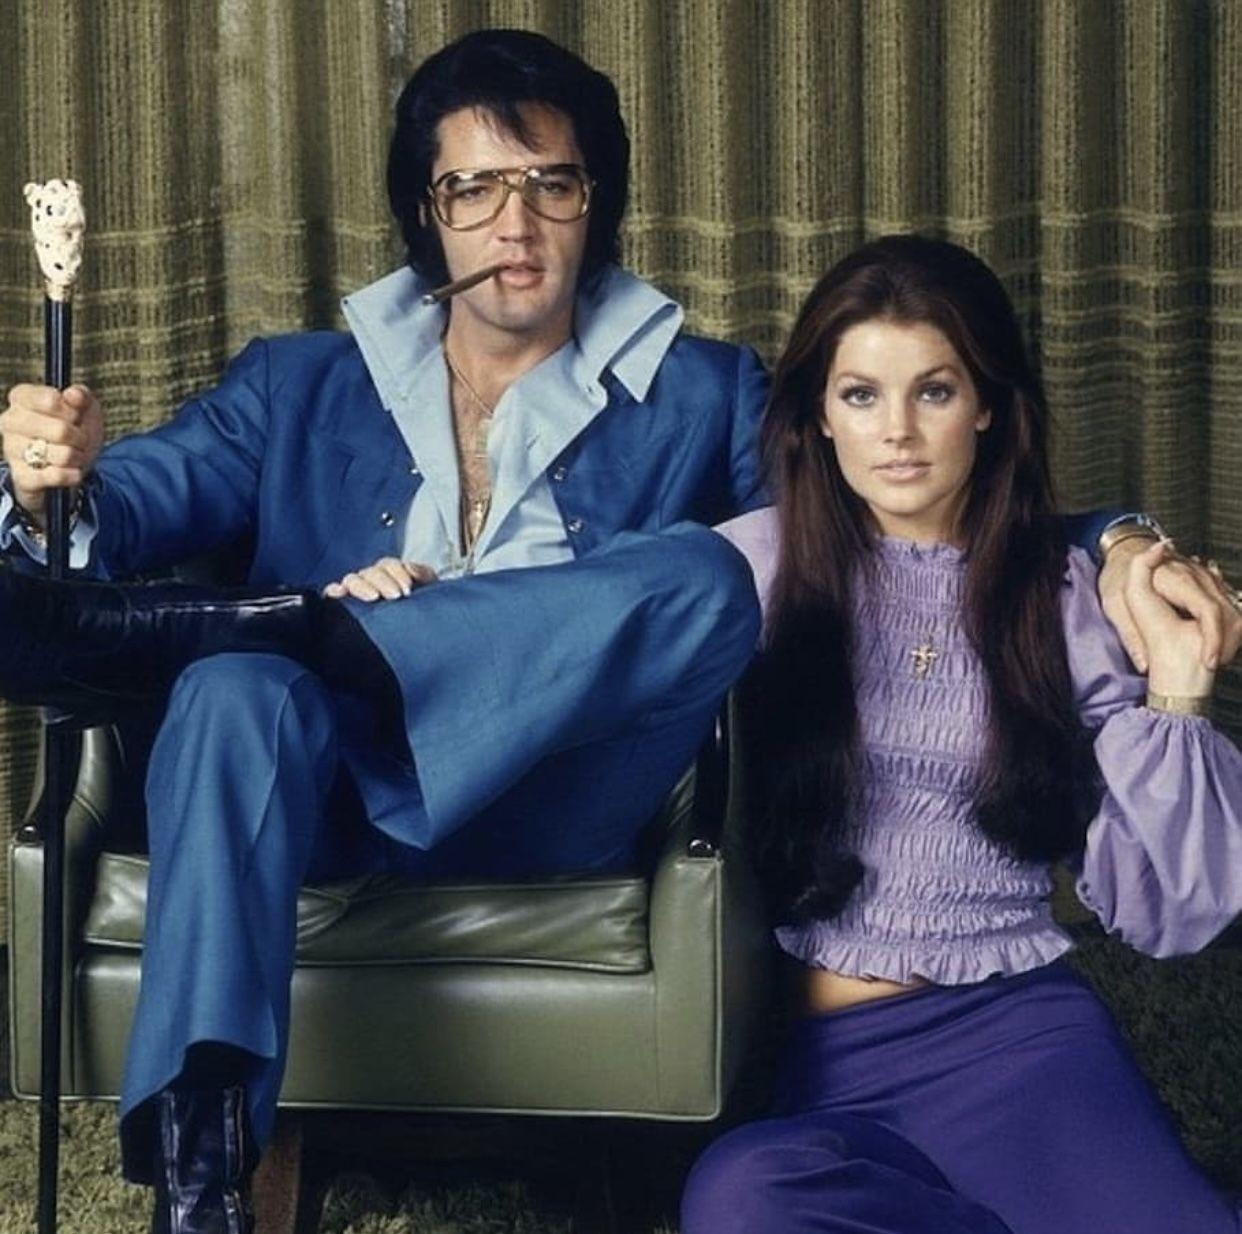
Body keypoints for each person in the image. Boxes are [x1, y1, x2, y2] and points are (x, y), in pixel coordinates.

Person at [0, 31, 1233, 1233]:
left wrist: (1118, 540)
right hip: (320, 791)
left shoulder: (704, 391)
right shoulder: (297, 381)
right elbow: (118, 513)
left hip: (559, 803)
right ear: (426, 212)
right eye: (474, 189)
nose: (515, 224)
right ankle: (203, 1174)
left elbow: (903, 501)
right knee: (233, 689)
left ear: (598, 204)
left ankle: (324, 638)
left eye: (553, 184)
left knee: (705, 578)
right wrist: (50, 484)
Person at [682, 235, 1242, 1234]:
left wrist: (1177, 684)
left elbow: (1173, 911)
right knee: (741, 1197)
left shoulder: (1066, 599)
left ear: (986, 405)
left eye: (934, 391)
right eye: (861, 395)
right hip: (832, 1065)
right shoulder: (755, 569)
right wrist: (411, 589)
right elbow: (587, 627)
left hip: (1025, 1041)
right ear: (819, 414)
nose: (897, 432)